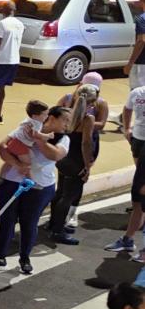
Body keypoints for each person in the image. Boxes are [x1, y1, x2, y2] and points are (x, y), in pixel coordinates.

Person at [0, 103, 69, 274]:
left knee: (29, 223)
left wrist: (37, 138)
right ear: (51, 118)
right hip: (11, 182)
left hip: (39, 188)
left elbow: (54, 155)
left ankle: (24, 258)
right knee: (6, 221)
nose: (67, 125)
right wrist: (18, 164)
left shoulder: (62, 139)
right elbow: (2, 147)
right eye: (65, 120)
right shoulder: (28, 127)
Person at [49, 85, 99, 245]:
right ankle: (57, 230)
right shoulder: (88, 118)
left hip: (64, 158)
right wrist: (87, 165)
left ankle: (52, 223)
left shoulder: (68, 113)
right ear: (94, 101)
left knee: (61, 191)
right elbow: (86, 143)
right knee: (68, 196)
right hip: (76, 160)